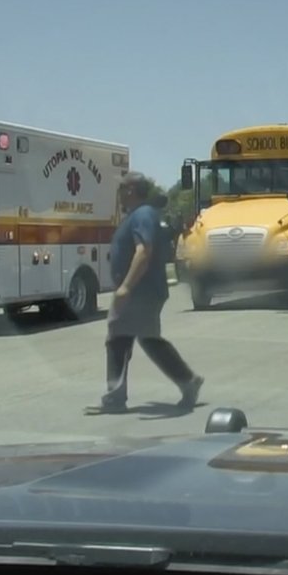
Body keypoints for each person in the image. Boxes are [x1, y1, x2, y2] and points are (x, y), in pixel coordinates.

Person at [87, 173, 204, 414]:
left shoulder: (142, 215)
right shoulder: (139, 215)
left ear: (130, 190)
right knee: (140, 339)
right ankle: (186, 381)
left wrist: (126, 287)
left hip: (141, 291)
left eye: (121, 188)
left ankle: (116, 397)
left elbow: (144, 251)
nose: (118, 193)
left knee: (124, 338)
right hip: (143, 290)